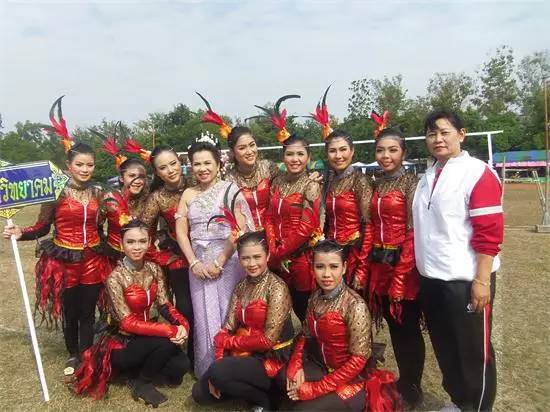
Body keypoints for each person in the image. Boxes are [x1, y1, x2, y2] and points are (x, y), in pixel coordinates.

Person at [2, 96, 110, 375]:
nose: (85, 170)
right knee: (70, 312)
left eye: (90, 165)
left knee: (88, 311)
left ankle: (87, 354)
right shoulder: (56, 192)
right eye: (80, 164)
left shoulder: (98, 193)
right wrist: (20, 232)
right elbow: (42, 227)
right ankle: (73, 354)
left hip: (92, 260)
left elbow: (102, 227)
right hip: (64, 260)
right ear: (69, 164)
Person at [413, 110, 504, 411]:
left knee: (472, 351)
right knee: (446, 346)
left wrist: (481, 281)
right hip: (432, 279)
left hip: (465, 281)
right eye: (431, 134)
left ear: (461, 135)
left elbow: (489, 233)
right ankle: (458, 401)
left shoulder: (477, 173)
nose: (437, 139)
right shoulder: (428, 175)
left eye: (444, 132)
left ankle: (477, 406)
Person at [73, 219, 190, 407]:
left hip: (148, 338)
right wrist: (169, 331)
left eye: (142, 241)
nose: (137, 247)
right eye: (131, 242)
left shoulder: (154, 269)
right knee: (165, 343)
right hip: (123, 342)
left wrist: (182, 325)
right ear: (121, 244)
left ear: (149, 242)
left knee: (181, 366)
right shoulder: (115, 277)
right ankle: (141, 383)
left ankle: (135, 371)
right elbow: (127, 323)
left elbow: (164, 304)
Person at [281, 240, 400, 411]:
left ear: (344, 267)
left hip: (352, 379)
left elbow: (358, 361)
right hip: (322, 367)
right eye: (320, 267)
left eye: (334, 267)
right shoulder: (315, 298)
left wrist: (316, 389)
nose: (326, 274)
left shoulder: (355, 305)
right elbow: (305, 336)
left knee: (302, 410)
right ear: (312, 268)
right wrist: (295, 364)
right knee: (284, 379)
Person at [175, 137, 254, 378]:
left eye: (207, 163)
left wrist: (220, 261)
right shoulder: (188, 194)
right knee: (203, 313)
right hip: (198, 265)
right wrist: (193, 262)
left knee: (230, 311)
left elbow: (240, 229)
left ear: (218, 164)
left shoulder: (230, 190)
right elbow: (181, 231)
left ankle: (234, 367)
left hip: (228, 262)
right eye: (197, 164)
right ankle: (208, 368)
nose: (202, 168)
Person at [192, 230, 294, 410]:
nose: (252, 263)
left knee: (218, 373)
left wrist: (229, 344)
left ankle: (265, 401)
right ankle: (245, 388)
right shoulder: (241, 286)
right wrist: (219, 361)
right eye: (246, 258)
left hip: (271, 357)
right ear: (239, 259)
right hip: (246, 353)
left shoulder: (277, 287)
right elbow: (227, 327)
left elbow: (268, 340)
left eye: (257, 257)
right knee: (199, 392)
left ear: (268, 256)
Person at [367, 121, 425, 408]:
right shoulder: (376, 182)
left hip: (404, 265)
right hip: (380, 266)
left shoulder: (412, 183)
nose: (386, 156)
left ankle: (412, 386)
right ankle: (404, 381)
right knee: (393, 326)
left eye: (392, 150)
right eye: (380, 150)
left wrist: (401, 277)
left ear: (404, 153)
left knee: (407, 328)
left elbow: (413, 231)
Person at [255, 95, 322, 321]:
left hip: (302, 260)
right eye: (290, 154)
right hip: (276, 258)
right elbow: (269, 217)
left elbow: (306, 227)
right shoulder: (277, 182)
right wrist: (272, 245)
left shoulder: (311, 185)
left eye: (300, 154)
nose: (295, 159)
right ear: (283, 156)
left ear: (308, 157)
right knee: (279, 310)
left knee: (305, 310)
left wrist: (279, 251)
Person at [310, 87, 373, 292]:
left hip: (354, 253)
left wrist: (362, 268)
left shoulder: (360, 181)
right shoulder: (328, 179)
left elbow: (368, 227)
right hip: (331, 253)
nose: (338, 156)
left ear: (352, 151)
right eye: (333, 151)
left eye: (343, 149)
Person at [140, 144, 195, 367]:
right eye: (163, 168)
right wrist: (161, 257)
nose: (171, 170)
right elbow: (142, 232)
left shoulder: (197, 182)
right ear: (156, 172)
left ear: (180, 162)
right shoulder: (157, 198)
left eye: (173, 163)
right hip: (179, 259)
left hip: (208, 254)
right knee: (186, 308)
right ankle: (190, 354)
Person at [196, 92, 279, 229]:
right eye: (242, 148)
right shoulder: (228, 178)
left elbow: (288, 184)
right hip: (244, 236)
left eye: (252, 145)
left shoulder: (269, 168)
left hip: (273, 231)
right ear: (233, 152)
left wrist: (311, 175)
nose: (249, 151)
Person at [100, 134, 149, 265]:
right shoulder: (110, 198)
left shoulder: (149, 199)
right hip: (114, 259)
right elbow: (95, 227)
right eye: (132, 176)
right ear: (121, 178)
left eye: (141, 177)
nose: (137, 181)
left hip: (144, 258)